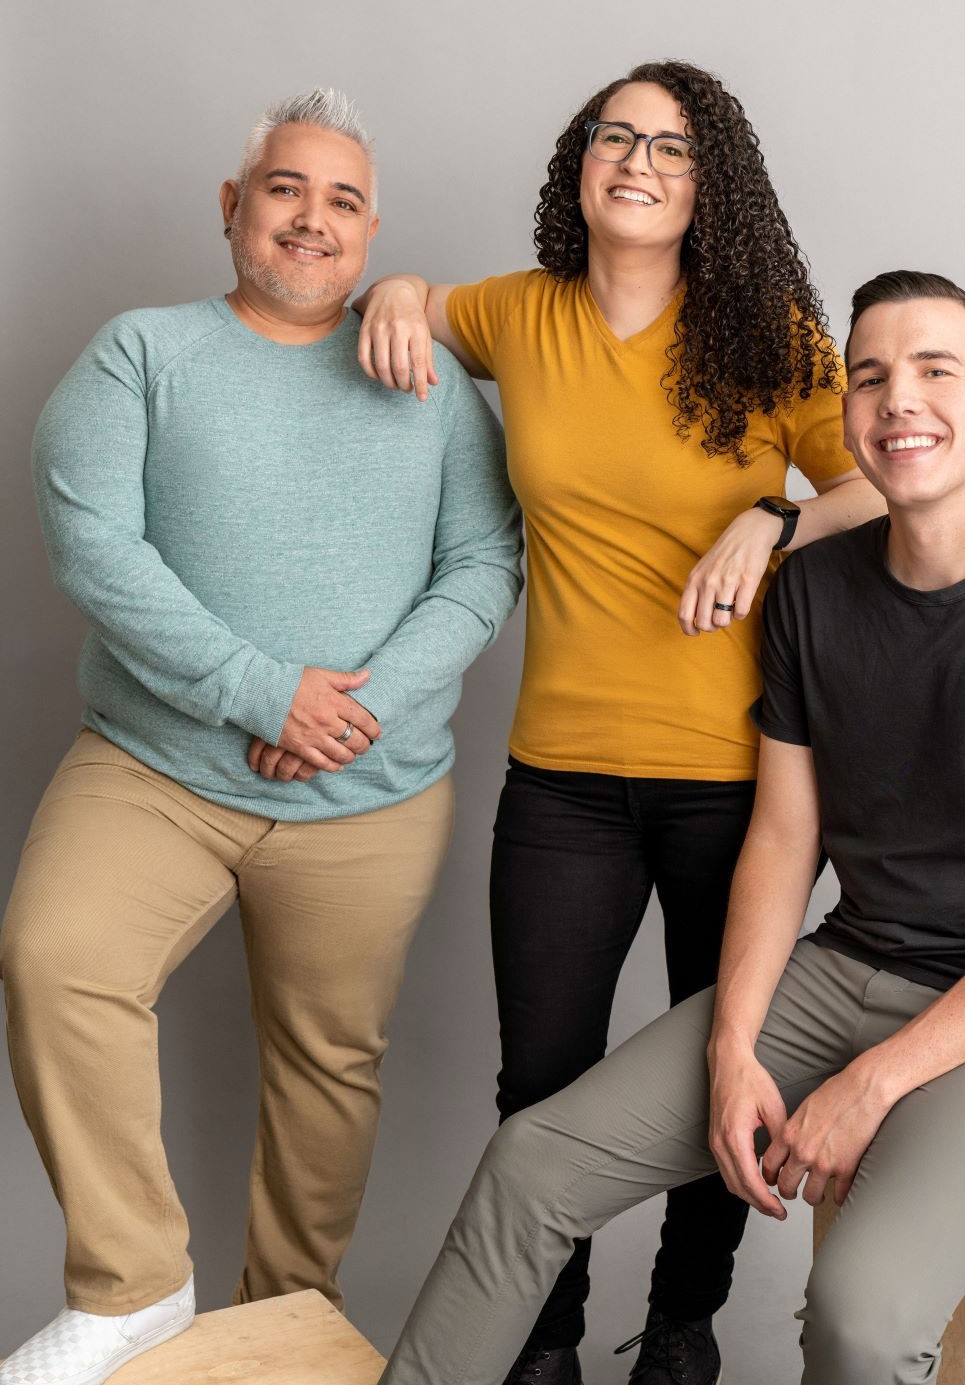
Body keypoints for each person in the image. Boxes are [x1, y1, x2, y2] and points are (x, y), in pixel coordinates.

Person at [374, 271, 965, 1385]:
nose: (899, 399)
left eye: (936, 371)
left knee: (859, 1314)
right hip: (847, 965)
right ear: (846, 415)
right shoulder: (812, 593)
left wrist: (877, 1080)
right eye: (870, 377)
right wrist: (731, 1042)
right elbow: (781, 841)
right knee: (530, 1162)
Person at [355, 60, 882, 1385]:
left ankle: (685, 1330)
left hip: (738, 784)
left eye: (672, 147)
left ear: (714, 189)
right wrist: (403, 290)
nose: (638, 160)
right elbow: (408, 302)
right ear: (578, 164)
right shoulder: (521, 316)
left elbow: (888, 478)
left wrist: (774, 518)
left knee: (721, 1069)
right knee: (541, 1084)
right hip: (563, 785)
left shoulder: (765, 337)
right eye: (615, 137)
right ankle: (542, 1346)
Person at [0, 88, 521, 1385]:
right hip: (154, 770)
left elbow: (485, 560)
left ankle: (284, 1319)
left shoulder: (434, 382)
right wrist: (260, 692)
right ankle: (133, 1285)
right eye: (286, 188)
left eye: (343, 199)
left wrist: (353, 712)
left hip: (370, 790)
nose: (312, 217)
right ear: (234, 209)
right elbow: (94, 547)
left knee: (325, 1066)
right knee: (55, 955)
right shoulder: (141, 354)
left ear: (371, 231)